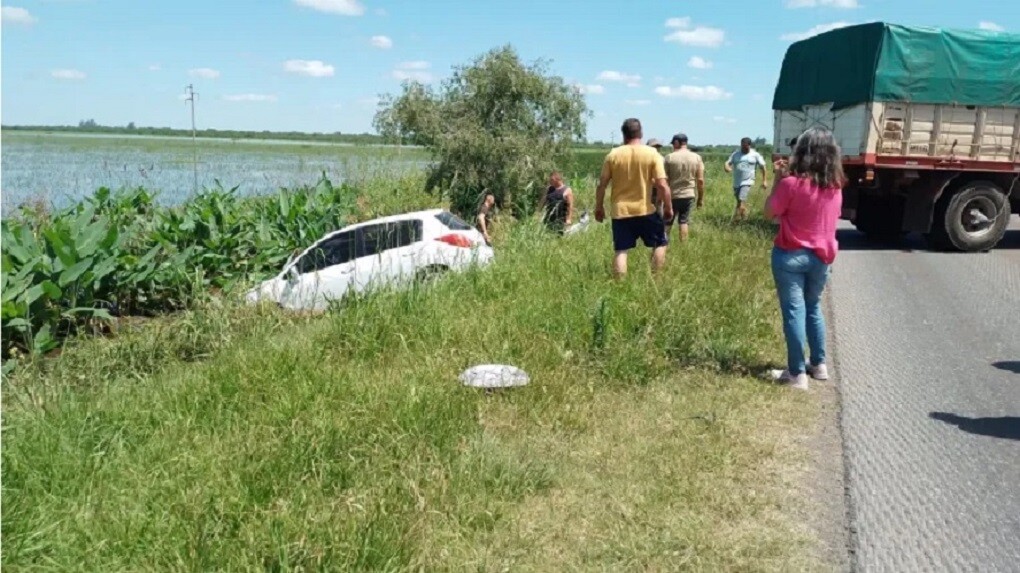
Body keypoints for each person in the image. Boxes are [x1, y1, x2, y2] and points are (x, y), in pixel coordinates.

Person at [764, 127, 845, 390]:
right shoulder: (835, 188)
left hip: (790, 254)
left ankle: (796, 373)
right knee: (813, 307)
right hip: (822, 257)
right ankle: (819, 365)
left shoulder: (791, 184)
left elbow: (769, 212)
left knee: (794, 312)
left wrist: (778, 179)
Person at [595, 118, 673, 277]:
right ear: (641, 133)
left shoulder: (613, 155)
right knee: (660, 243)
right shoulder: (652, 154)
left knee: (621, 250)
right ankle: (656, 279)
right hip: (645, 210)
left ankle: (620, 284)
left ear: (624, 135)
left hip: (620, 211)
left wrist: (599, 207)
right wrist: (668, 207)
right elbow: (662, 185)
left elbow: (602, 185)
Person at [662, 133, 705, 242]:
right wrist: (700, 199)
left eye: (673, 144)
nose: (673, 146)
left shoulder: (669, 157)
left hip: (673, 195)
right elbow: (700, 180)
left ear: (677, 143)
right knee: (684, 221)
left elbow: (664, 179)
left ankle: (663, 243)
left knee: (667, 221)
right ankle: (683, 245)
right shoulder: (697, 157)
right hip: (688, 195)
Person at [725, 137, 768, 222]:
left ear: (749, 146)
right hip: (737, 182)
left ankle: (735, 221)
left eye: (745, 147)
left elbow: (763, 167)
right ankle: (745, 219)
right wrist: (726, 167)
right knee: (740, 202)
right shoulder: (735, 154)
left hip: (748, 181)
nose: (744, 149)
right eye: (742, 146)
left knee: (741, 200)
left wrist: (764, 180)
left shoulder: (755, 155)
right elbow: (727, 162)